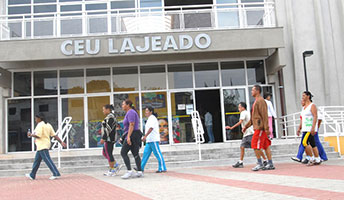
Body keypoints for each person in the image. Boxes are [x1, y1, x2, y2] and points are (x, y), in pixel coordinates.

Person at [25, 113, 67, 180]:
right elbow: (54, 135)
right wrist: (61, 142)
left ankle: (56, 173)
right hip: (43, 145)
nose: (35, 120)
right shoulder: (48, 125)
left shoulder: (40, 125)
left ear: (39, 118)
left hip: (42, 145)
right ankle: (32, 175)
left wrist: (30, 135)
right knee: (37, 161)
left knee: (47, 160)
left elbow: (38, 135)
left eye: (36, 118)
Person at [243, 85, 275, 171]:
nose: (251, 92)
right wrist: (246, 126)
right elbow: (254, 117)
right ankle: (270, 163)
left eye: (252, 90)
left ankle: (260, 163)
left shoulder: (260, 101)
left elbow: (264, 115)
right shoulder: (256, 101)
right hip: (259, 126)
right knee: (265, 145)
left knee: (254, 144)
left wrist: (266, 128)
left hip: (260, 128)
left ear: (257, 91)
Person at [226, 102, 267, 168]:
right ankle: (240, 162)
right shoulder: (247, 113)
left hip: (249, 133)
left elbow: (240, 122)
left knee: (255, 148)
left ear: (243, 107)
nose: (238, 108)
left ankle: (265, 160)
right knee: (242, 147)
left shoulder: (243, 113)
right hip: (247, 133)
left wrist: (231, 127)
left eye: (239, 107)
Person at [291, 99, 328, 163]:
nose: (301, 103)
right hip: (306, 129)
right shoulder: (304, 109)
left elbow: (318, 118)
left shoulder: (312, 107)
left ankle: (307, 157)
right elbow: (302, 120)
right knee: (312, 143)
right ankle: (314, 157)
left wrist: (316, 128)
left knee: (307, 142)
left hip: (311, 129)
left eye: (303, 101)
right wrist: (300, 128)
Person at [295, 91, 321, 166]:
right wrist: (299, 128)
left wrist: (313, 127)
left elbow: (315, 116)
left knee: (304, 142)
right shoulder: (304, 107)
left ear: (308, 96)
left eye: (304, 95)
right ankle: (317, 158)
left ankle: (311, 157)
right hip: (305, 128)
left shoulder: (312, 106)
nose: (302, 97)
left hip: (310, 128)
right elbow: (302, 118)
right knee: (313, 144)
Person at [120, 99, 143, 179]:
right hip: (131, 134)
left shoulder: (131, 112)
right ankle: (139, 171)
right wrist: (124, 136)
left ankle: (129, 171)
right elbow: (127, 127)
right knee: (135, 153)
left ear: (128, 105)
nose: (122, 106)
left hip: (133, 134)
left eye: (123, 104)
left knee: (123, 152)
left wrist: (128, 137)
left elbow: (132, 125)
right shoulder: (130, 112)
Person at [141, 107, 167, 173]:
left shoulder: (152, 118)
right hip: (149, 140)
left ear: (151, 112)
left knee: (157, 153)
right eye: (145, 111)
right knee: (145, 154)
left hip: (153, 140)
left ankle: (162, 168)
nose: (145, 112)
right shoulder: (149, 119)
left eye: (147, 111)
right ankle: (141, 167)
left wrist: (145, 136)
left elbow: (151, 128)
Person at [101, 104, 122, 176]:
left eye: (104, 109)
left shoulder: (111, 117)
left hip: (109, 139)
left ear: (108, 109)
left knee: (109, 153)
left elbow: (108, 129)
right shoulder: (109, 117)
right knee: (104, 153)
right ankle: (115, 165)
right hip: (108, 138)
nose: (103, 111)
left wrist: (104, 138)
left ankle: (112, 169)